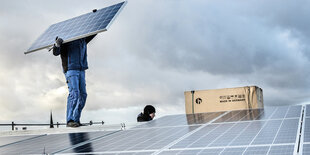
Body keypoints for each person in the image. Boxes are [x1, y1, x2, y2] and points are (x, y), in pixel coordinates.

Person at [53, 35, 96, 127]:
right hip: (70, 69)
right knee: (74, 94)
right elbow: (56, 52)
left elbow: (94, 30)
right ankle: (70, 120)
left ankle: (76, 119)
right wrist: (57, 44)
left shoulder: (82, 38)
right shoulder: (66, 39)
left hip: (81, 69)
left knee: (83, 95)